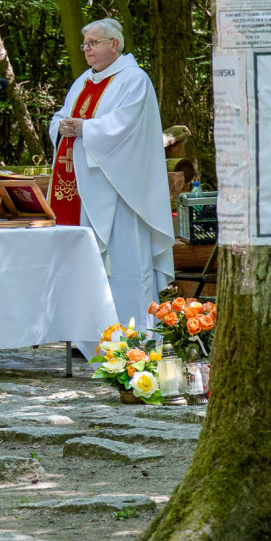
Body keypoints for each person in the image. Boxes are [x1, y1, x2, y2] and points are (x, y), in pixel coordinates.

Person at [48, 18, 174, 331]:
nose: (86, 49)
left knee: (125, 265)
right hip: (81, 190)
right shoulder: (82, 82)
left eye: (93, 43)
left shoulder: (134, 80)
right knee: (86, 264)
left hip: (120, 190)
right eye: (85, 44)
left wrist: (85, 128)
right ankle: (89, 334)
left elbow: (126, 127)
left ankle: (136, 334)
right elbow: (63, 117)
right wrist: (61, 126)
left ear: (113, 44)